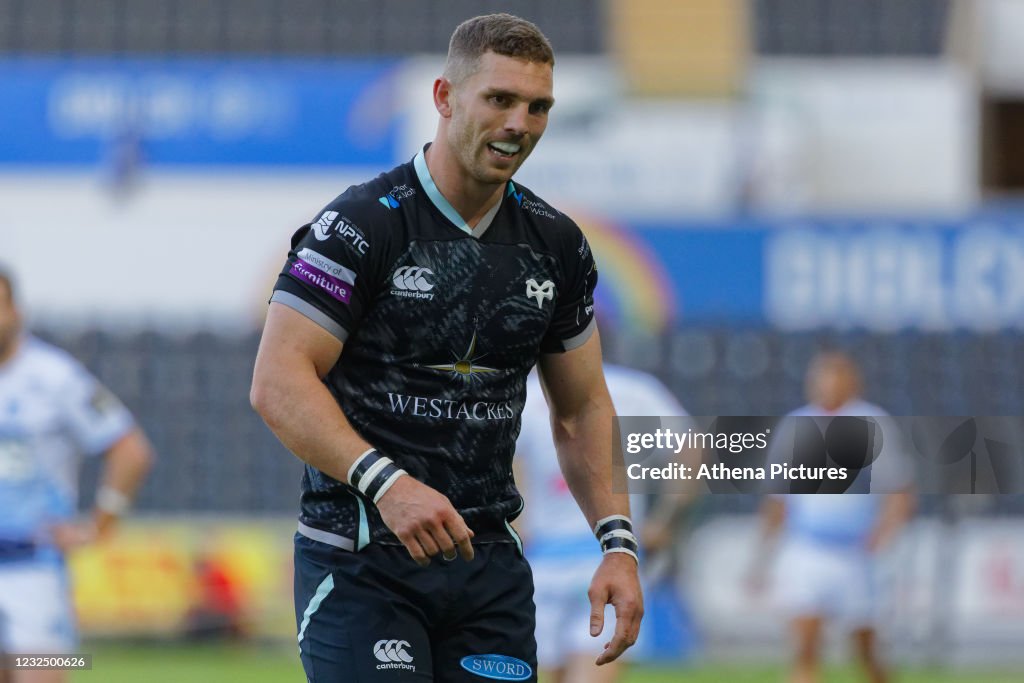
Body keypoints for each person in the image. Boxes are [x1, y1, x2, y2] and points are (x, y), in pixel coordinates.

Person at [250, 14, 642, 682]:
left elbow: (582, 410)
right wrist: (389, 484)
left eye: (538, 106)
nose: (520, 122)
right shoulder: (361, 224)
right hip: (363, 561)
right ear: (445, 97)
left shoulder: (557, 244)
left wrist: (619, 543)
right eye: (500, 99)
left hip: (487, 568)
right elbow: (278, 382)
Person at [0, 268, 153, 683]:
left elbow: (130, 450)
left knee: (39, 673)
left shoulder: (54, 377)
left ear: (15, 310)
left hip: (31, 564)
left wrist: (97, 525)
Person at [516, 363, 694, 683]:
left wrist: (664, 520)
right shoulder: (634, 389)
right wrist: (663, 520)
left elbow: (689, 449)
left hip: (600, 555)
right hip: (550, 557)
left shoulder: (633, 390)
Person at [749, 352, 915, 683]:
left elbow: (900, 490)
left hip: (856, 551)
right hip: (807, 547)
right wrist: (761, 557)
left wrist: (884, 534)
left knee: (866, 649)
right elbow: (778, 498)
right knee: (805, 645)